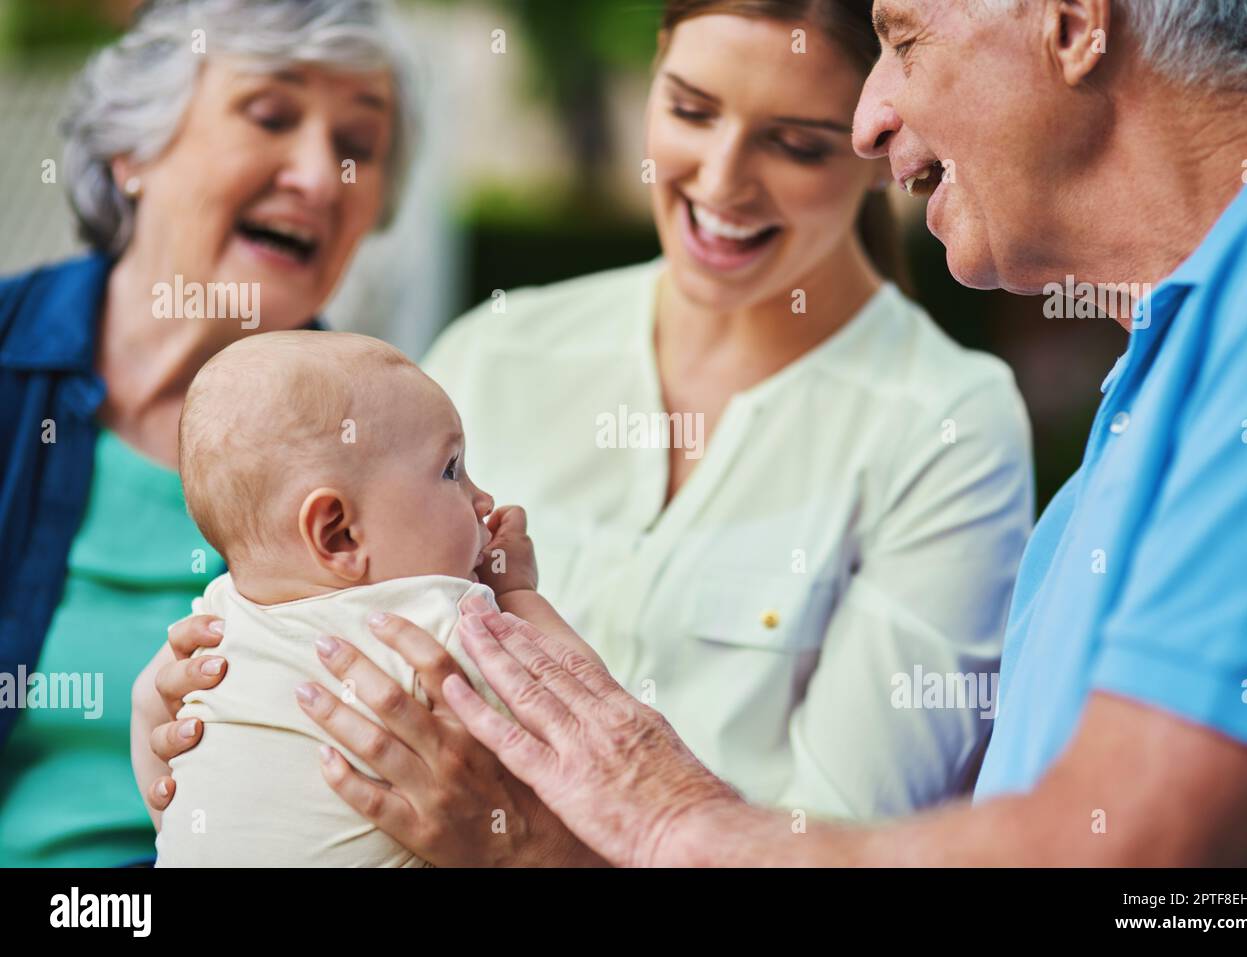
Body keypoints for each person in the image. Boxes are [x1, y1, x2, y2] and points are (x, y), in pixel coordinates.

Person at [143, 0, 1036, 865]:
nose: (722, 179)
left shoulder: (948, 423)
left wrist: (537, 849)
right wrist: (209, 728)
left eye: (795, 143)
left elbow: (838, 837)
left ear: (876, 135)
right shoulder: (495, 346)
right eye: (691, 109)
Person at [411, 0, 1247, 865]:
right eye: (689, 107)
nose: (870, 122)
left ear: (1072, 24)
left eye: (903, 40)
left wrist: (663, 823)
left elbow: (1141, 850)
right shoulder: (1169, 380)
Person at [0, 0, 414, 866]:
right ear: (133, 152)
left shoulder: (400, 450)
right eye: (269, 115)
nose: (319, 173)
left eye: (357, 146)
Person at [149, 332, 595, 866]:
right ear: (339, 534)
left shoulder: (218, 615)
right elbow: (590, 721)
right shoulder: (433, 618)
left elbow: (170, 784)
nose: (483, 499)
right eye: (451, 469)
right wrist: (518, 593)